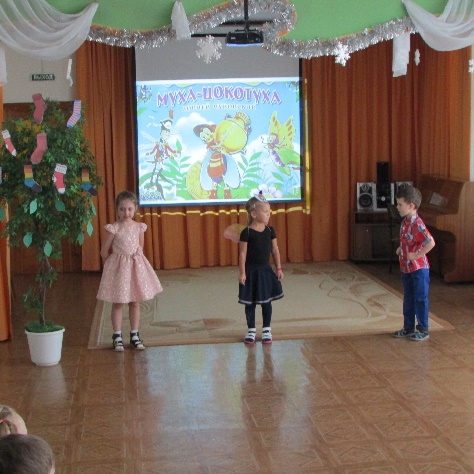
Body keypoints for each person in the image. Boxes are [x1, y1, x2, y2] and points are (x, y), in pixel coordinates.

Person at [97, 191, 163, 351]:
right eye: (122, 209)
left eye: (129, 209)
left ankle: (134, 335)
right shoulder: (114, 228)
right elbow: (104, 250)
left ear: (135, 209)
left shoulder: (139, 227)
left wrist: (136, 260)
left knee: (135, 301)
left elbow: (140, 248)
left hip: (134, 269)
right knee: (118, 302)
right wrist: (111, 264)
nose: (126, 213)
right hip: (120, 270)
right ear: (116, 210)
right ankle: (117, 335)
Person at [238, 192, 284, 344]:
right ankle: (251, 330)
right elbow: (243, 253)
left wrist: (278, 268)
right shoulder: (247, 232)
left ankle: (266, 330)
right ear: (253, 213)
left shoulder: (270, 231)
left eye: (269, 212)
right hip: (251, 272)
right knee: (250, 302)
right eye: (265, 211)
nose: (268, 214)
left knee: (266, 301)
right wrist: (242, 273)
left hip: (265, 272)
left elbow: (275, 250)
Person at [392, 185, 435, 341]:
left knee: (420, 298)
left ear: (411, 205)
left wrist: (416, 255)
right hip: (406, 268)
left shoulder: (418, 224)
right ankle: (408, 327)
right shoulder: (405, 223)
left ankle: (423, 329)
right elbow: (407, 241)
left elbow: (430, 242)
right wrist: (400, 249)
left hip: (419, 269)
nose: (397, 207)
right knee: (408, 298)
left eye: (400, 204)